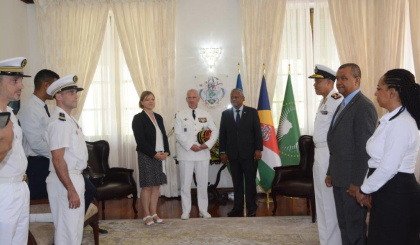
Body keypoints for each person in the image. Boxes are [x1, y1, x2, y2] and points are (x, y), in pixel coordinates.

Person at [356, 69, 420, 245]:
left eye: (379, 88)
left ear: (392, 92)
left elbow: (389, 167)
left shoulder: (401, 124)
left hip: (398, 194)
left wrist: (364, 190)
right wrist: (368, 187)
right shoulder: (390, 120)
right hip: (387, 190)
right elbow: (375, 161)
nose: (376, 93)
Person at [326, 63, 377, 245]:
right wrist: (331, 171)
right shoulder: (343, 103)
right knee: (345, 227)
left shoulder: (364, 106)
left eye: (344, 78)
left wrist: (357, 183)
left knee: (355, 229)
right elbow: (336, 144)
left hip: (352, 182)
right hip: (340, 177)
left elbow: (364, 150)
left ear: (357, 80)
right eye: (338, 78)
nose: (339, 82)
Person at [45, 74, 87, 244]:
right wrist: (71, 189)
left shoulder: (69, 119)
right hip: (65, 180)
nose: (75, 95)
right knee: (67, 232)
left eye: (76, 92)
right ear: (58, 96)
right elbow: (58, 159)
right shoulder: (59, 122)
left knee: (74, 230)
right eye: (71, 92)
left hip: (72, 177)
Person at [308, 65, 342, 245]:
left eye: (318, 81)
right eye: (315, 81)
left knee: (328, 202)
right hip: (319, 153)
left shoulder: (337, 100)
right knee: (321, 200)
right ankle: (325, 240)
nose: (315, 84)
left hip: (329, 153)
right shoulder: (325, 101)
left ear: (330, 82)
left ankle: (333, 241)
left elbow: (338, 132)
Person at [0, 57, 31, 244]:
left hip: (20, 186)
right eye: (14, 81)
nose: (21, 86)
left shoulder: (10, 112)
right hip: (3, 189)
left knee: (19, 240)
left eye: (21, 81)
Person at [174, 89, 218, 220]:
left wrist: (207, 145)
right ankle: (186, 211)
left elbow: (214, 131)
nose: (191, 99)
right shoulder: (180, 115)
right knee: (185, 184)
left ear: (198, 99)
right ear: (186, 99)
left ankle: (203, 210)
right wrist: (190, 145)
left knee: (202, 183)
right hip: (186, 153)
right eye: (189, 97)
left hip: (203, 153)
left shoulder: (206, 114)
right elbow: (178, 134)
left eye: (194, 97)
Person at [219, 88, 263, 217]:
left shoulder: (252, 112)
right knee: (237, 183)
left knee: (250, 182)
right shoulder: (225, 114)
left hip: (250, 155)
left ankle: (251, 207)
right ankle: (237, 207)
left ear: (243, 98)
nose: (234, 99)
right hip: (233, 155)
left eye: (236, 97)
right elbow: (223, 135)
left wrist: (258, 149)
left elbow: (257, 133)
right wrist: (222, 152)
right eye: (232, 97)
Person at [18, 69, 59, 200]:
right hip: (37, 163)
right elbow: (36, 143)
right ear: (45, 85)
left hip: (44, 160)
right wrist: (56, 155)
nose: (57, 90)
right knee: (41, 201)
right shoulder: (30, 108)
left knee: (51, 200)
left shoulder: (40, 107)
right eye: (55, 86)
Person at [132, 91, 170, 225]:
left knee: (156, 185)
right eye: (147, 99)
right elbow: (140, 141)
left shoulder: (158, 117)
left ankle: (154, 213)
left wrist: (166, 152)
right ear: (142, 102)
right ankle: (146, 214)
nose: (151, 102)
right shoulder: (138, 118)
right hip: (146, 155)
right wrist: (154, 154)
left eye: (153, 99)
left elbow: (164, 136)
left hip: (160, 155)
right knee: (147, 186)